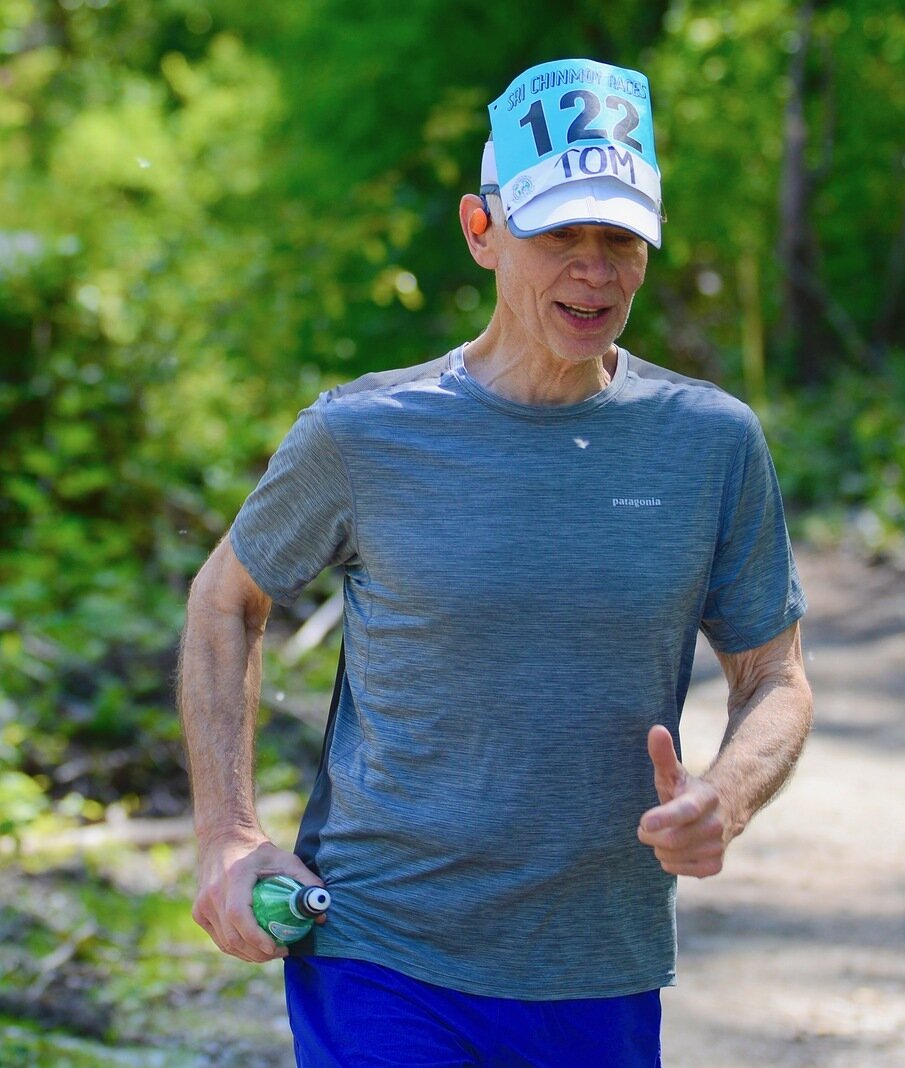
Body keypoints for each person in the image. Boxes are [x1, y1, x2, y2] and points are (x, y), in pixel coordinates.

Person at [177, 57, 812, 1066]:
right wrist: (228, 833)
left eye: (620, 239)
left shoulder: (709, 442)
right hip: (381, 951)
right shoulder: (363, 433)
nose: (594, 272)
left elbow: (774, 674)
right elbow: (226, 600)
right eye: (559, 234)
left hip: (596, 963)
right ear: (482, 230)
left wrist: (725, 796)